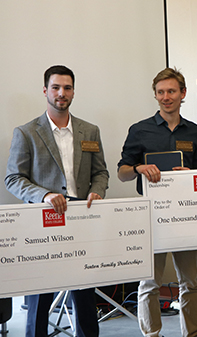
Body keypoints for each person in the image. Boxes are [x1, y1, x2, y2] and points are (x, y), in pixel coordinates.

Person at [5, 65, 109, 337]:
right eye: (56, 87)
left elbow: (100, 172)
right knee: (41, 298)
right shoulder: (26, 132)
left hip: (81, 222)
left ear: (73, 91)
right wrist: (45, 195)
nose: (61, 93)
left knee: (85, 296)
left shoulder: (90, 130)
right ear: (45, 91)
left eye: (67, 88)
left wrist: (97, 190)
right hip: (45, 223)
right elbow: (14, 179)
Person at [117, 67, 197, 337]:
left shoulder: (196, 133)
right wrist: (139, 169)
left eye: (171, 91)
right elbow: (121, 172)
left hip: (187, 216)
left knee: (190, 283)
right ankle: (152, 333)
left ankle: (192, 333)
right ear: (155, 95)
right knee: (149, 282)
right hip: (151, 215)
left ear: (183, 94)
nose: (166, 97)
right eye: (161, 92)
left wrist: (192, 176)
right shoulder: (140, 130)